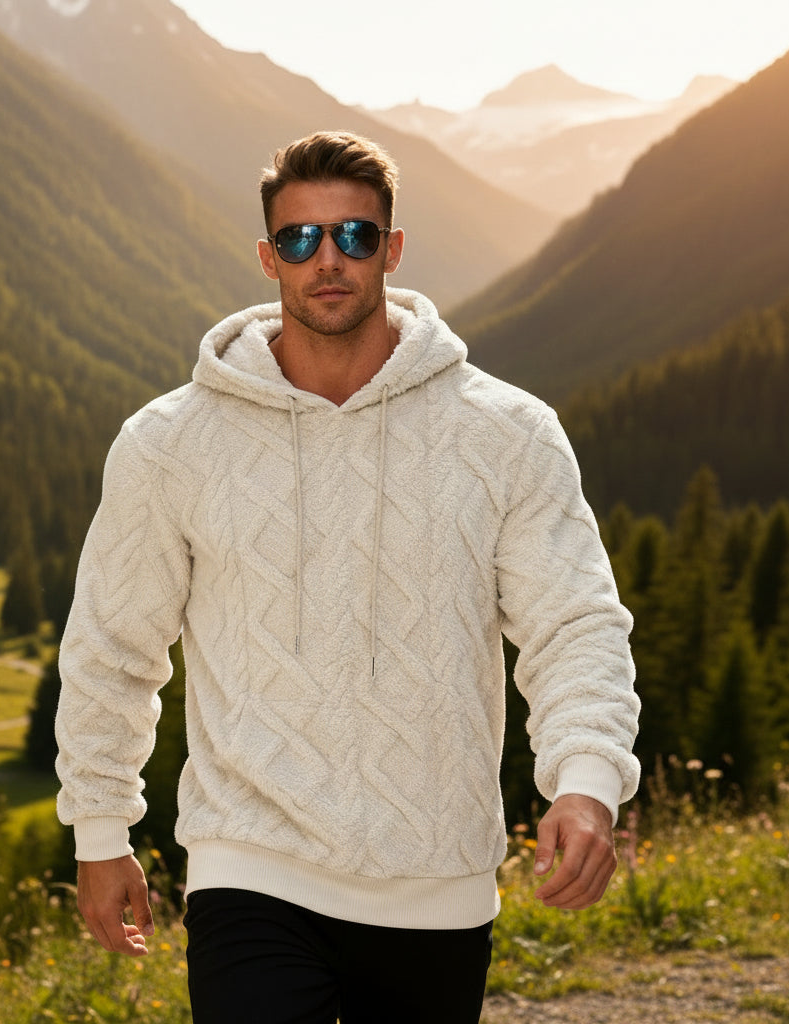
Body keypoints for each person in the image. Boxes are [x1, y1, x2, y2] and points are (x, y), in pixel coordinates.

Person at [54, 130, 641, 1023]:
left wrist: (588, 778)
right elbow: (113, 645)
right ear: (267, 259)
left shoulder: (508, 433)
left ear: (393, 251)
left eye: (355, 236)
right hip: (246, 865)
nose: (328, 259)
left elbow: (574, 624)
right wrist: (101, 831)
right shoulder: (169, 443)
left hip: (435, 881)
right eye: (300, 239)